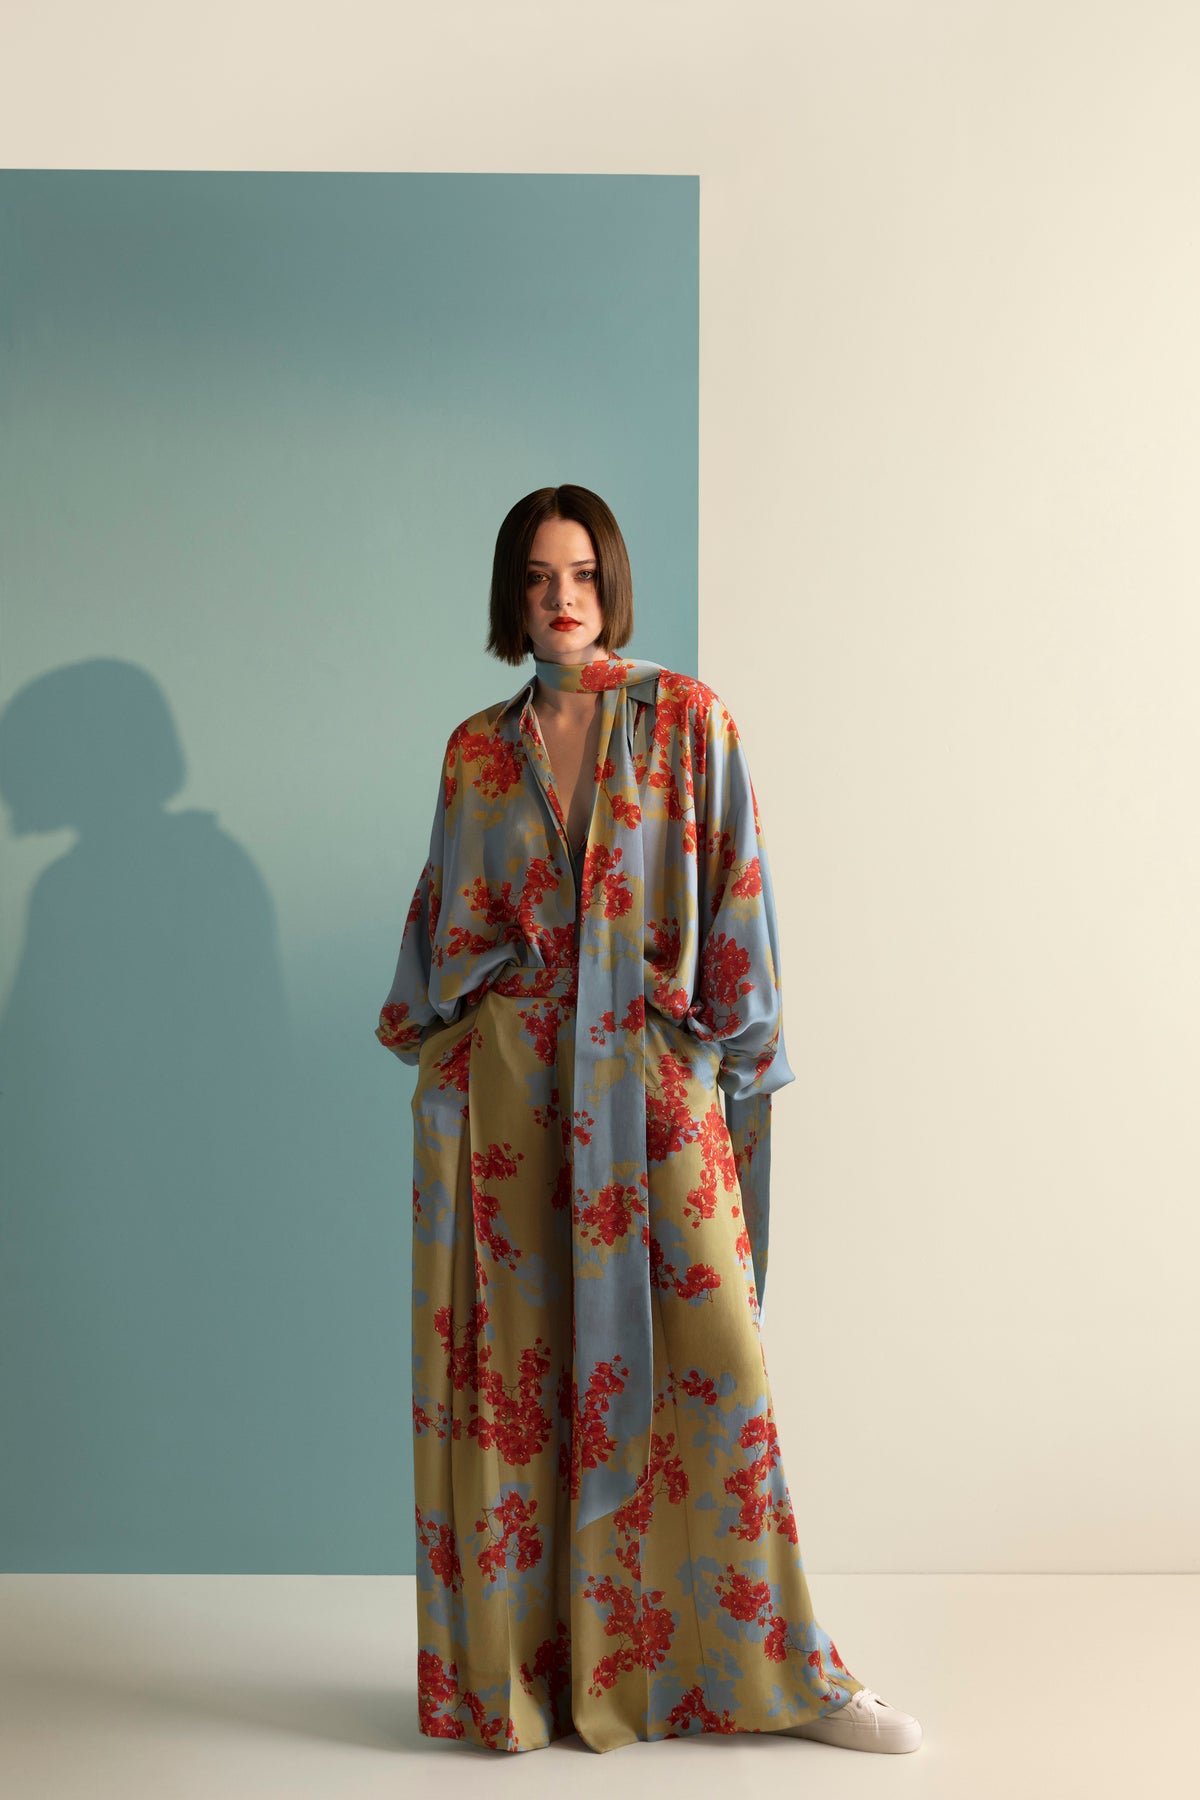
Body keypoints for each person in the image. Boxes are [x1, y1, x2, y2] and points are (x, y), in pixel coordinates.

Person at [375, 485, 923, 1756]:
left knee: (714, 1365)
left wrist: (732, 1070)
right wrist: (456, 1054)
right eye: (535, 578)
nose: (559, 598)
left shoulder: (688, 720)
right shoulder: (477, 751)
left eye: (579, 574)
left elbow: (739, 896)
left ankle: (785, 1675)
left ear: (611, 583)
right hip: (510, 1101)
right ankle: (535, 1680)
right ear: (512, 598)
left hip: (653, 1083)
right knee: (520, 1387)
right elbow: (437, 929)